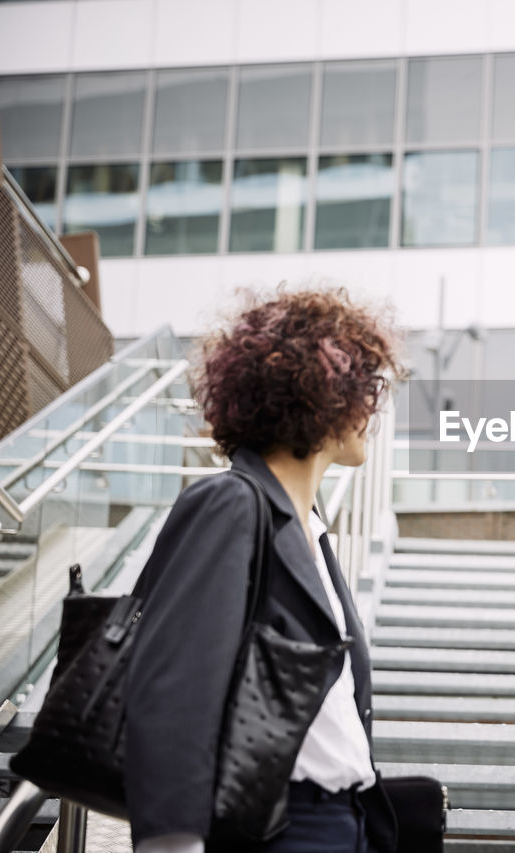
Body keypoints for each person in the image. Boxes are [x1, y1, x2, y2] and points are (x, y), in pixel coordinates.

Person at [123, 287, 405, 853]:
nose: (372, 408)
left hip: (339, 820)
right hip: (282, 825)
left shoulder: (309, 529)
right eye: (365, 388)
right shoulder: (232, 505)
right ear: (325, 396)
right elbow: (172, 691)